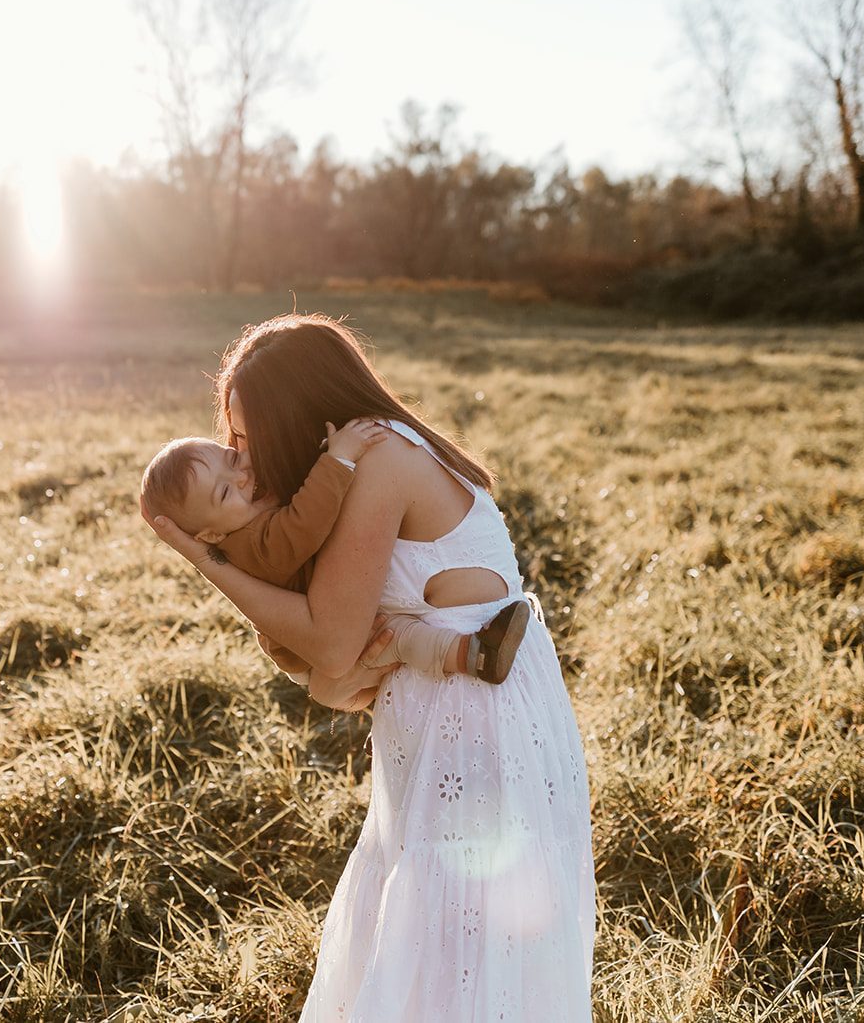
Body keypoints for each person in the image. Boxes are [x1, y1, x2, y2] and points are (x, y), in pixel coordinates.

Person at [142, 313, 596, 1021]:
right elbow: (333, 672)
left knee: (458, 952)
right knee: (433, 944)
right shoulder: (355, 462)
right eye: (234, 440)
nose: (243, 455)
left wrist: (205, 558)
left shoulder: (378, 461)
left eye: (247, 436)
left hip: (475, 713)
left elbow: (330, 647)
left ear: (294, 415)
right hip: (446, 710)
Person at [138, 421, 530, 685]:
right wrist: (336, 460)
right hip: (307, 653)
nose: (242, 476)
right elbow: (304, 523)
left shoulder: (243, 517)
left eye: (231, 458)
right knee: (398, 637)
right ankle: (471, 655)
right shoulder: (253, 544)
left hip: (317, 637)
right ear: (211, 533)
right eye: (225, 491)